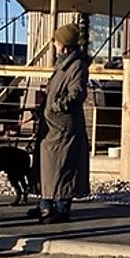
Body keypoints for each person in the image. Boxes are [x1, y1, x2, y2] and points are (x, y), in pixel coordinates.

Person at [30, 23, 89, 224]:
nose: (53, 44)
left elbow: (76, 94)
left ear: (64, 44)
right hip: (52, 124)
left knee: (63, 166)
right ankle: (45, 204)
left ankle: (61, 208)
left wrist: (55, 106)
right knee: (47, 165)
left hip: (63, 125)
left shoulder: (77, 65)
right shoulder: (63, 64)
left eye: (55, 41)